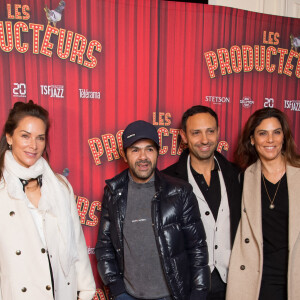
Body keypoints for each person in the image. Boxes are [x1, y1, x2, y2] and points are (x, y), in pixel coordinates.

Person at [95, 120, 210, 300]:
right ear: (124, 155)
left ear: (157, 152)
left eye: (149, 149)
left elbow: (197, 248)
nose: (143, 157)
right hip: (128, 296)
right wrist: (116, 289)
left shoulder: (180, 192)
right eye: (135, 150)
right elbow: (104, 246)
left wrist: (198, 294)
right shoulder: (113, 192)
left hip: (171, 296)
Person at [0, 101, 96, 300]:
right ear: (9, 137)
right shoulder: (2, 188)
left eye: (40, 138)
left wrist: (86, 291)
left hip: (60, 292)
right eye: (25, 136)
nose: (33, 145)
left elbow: (76, 243)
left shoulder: (60, 186)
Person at [163, 105, 242, 300]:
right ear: (184, 136)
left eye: (210, 131)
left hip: (232, 284)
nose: (205, 140)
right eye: (196, 133)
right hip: (189, 286)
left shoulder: (238, 175)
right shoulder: (167, 181)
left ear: (218, 132)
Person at [226, 107, 300, 300]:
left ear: (284, 137)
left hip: (295, 275)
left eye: (276, 132)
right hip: (257, 280)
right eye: (262, 133)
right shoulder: (243, 179)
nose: (270, 140)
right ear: (252, 140)